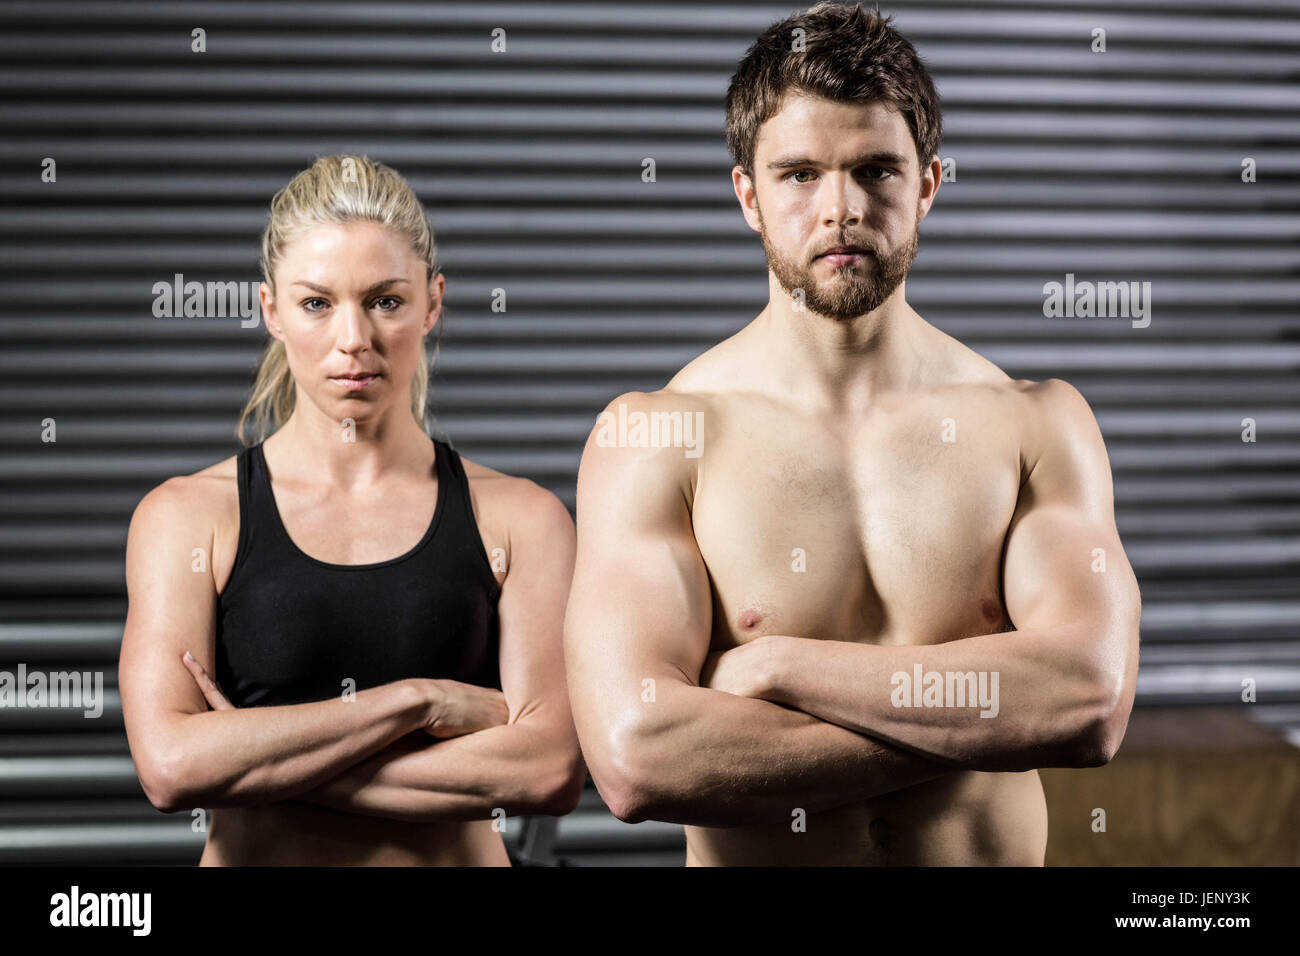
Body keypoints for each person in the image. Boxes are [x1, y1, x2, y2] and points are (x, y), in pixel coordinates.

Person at [564, 3, 1141, 866]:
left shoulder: (1034, 423)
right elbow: (637, 756)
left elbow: (1090, 703)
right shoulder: (656, 438)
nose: (841, 209)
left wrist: (780, 669)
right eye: (800, 173)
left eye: (876, 170)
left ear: (930, 185)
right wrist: (986, 719)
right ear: (747, 196)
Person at [119, 155, 583, 865]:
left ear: (432, 303)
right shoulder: (188, 518)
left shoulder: (520, 519)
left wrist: (257, 757)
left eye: (385, 301)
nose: (353, 339)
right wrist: (416, 702)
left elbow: (548, 770)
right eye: (316, 303)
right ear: (271, 310)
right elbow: (173, 767)